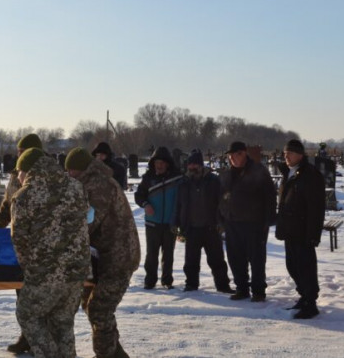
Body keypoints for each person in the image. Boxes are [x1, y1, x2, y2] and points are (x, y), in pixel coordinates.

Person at [10, 148, 89, 358]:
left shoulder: (25, 195)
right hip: (76, 271)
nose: (18, 177)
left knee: (27, 314)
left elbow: (19, 239)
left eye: (19, 171)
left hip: (45, 272)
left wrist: (31, 269)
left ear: (28, 170)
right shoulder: (75, 186)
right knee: (62, 323)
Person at [65, 148, 140, 358]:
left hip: (119, 257)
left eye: (71, 171)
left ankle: (106, 354)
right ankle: (115, 354)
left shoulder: (99, 186)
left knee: (99, 309)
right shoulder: (89, 182)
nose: (68, 175)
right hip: (103, 256)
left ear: (80, 170)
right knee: (92, 306)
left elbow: (87, 221)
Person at [0, 133, 43, 355]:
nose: (19, 155)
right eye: (19, 152)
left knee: (38, 296)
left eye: (23, 152)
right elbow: (8, 202)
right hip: (19, 242)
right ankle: (28, 336)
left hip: (40, 245)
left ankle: (39, 340)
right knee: (22, 293)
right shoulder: (16, 175)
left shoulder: (43, 177)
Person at [218, 141, 277, 301]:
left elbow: (270, 196)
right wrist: (222, 219)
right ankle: (242, 288)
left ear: (243, 154)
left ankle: (258, 290)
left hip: (254, 223)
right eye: (229, 156)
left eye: (234, 155)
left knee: (256, 258)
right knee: (235, 258)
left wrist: (268, 219)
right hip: (232, 223)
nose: (231, 159)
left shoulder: (258, 171)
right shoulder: (227, 174)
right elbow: (220, 198)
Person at [275, 139, 326, 319]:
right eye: (285, 153)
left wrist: (313, 234)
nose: (286, 156)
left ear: (300, 155)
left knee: (306, 268)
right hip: (290, 229)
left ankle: (310, 303)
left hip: (303, 231)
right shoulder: (289, 173)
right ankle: (304, 296)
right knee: (292, 266)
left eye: (290, 153)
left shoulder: (310, 175)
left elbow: (316, 208)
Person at [174, 150, 233, 293]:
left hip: (211, 227)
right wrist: (176, 224)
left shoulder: (213, 180)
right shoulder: (183, 183)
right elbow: (178, 205)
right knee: (191, 261)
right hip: (191, 228)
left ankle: (222, 285)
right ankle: (191, 284)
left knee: (217, 260)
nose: (192, 167)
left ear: (201, 165)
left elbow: (223, 202)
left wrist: (222, 222)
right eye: (190, 164)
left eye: (195, 164)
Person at [134, 146, 182, 290]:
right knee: (151, 254)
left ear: (167, 163)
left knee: (168, 254)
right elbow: (139, 195)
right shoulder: (148, 178)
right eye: (156, 162)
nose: (159, 165)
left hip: (170, 223)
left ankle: (167, 280)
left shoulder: (177, 178)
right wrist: (145, 204)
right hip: (152, 223)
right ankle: (150, 280)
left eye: (161, 162)